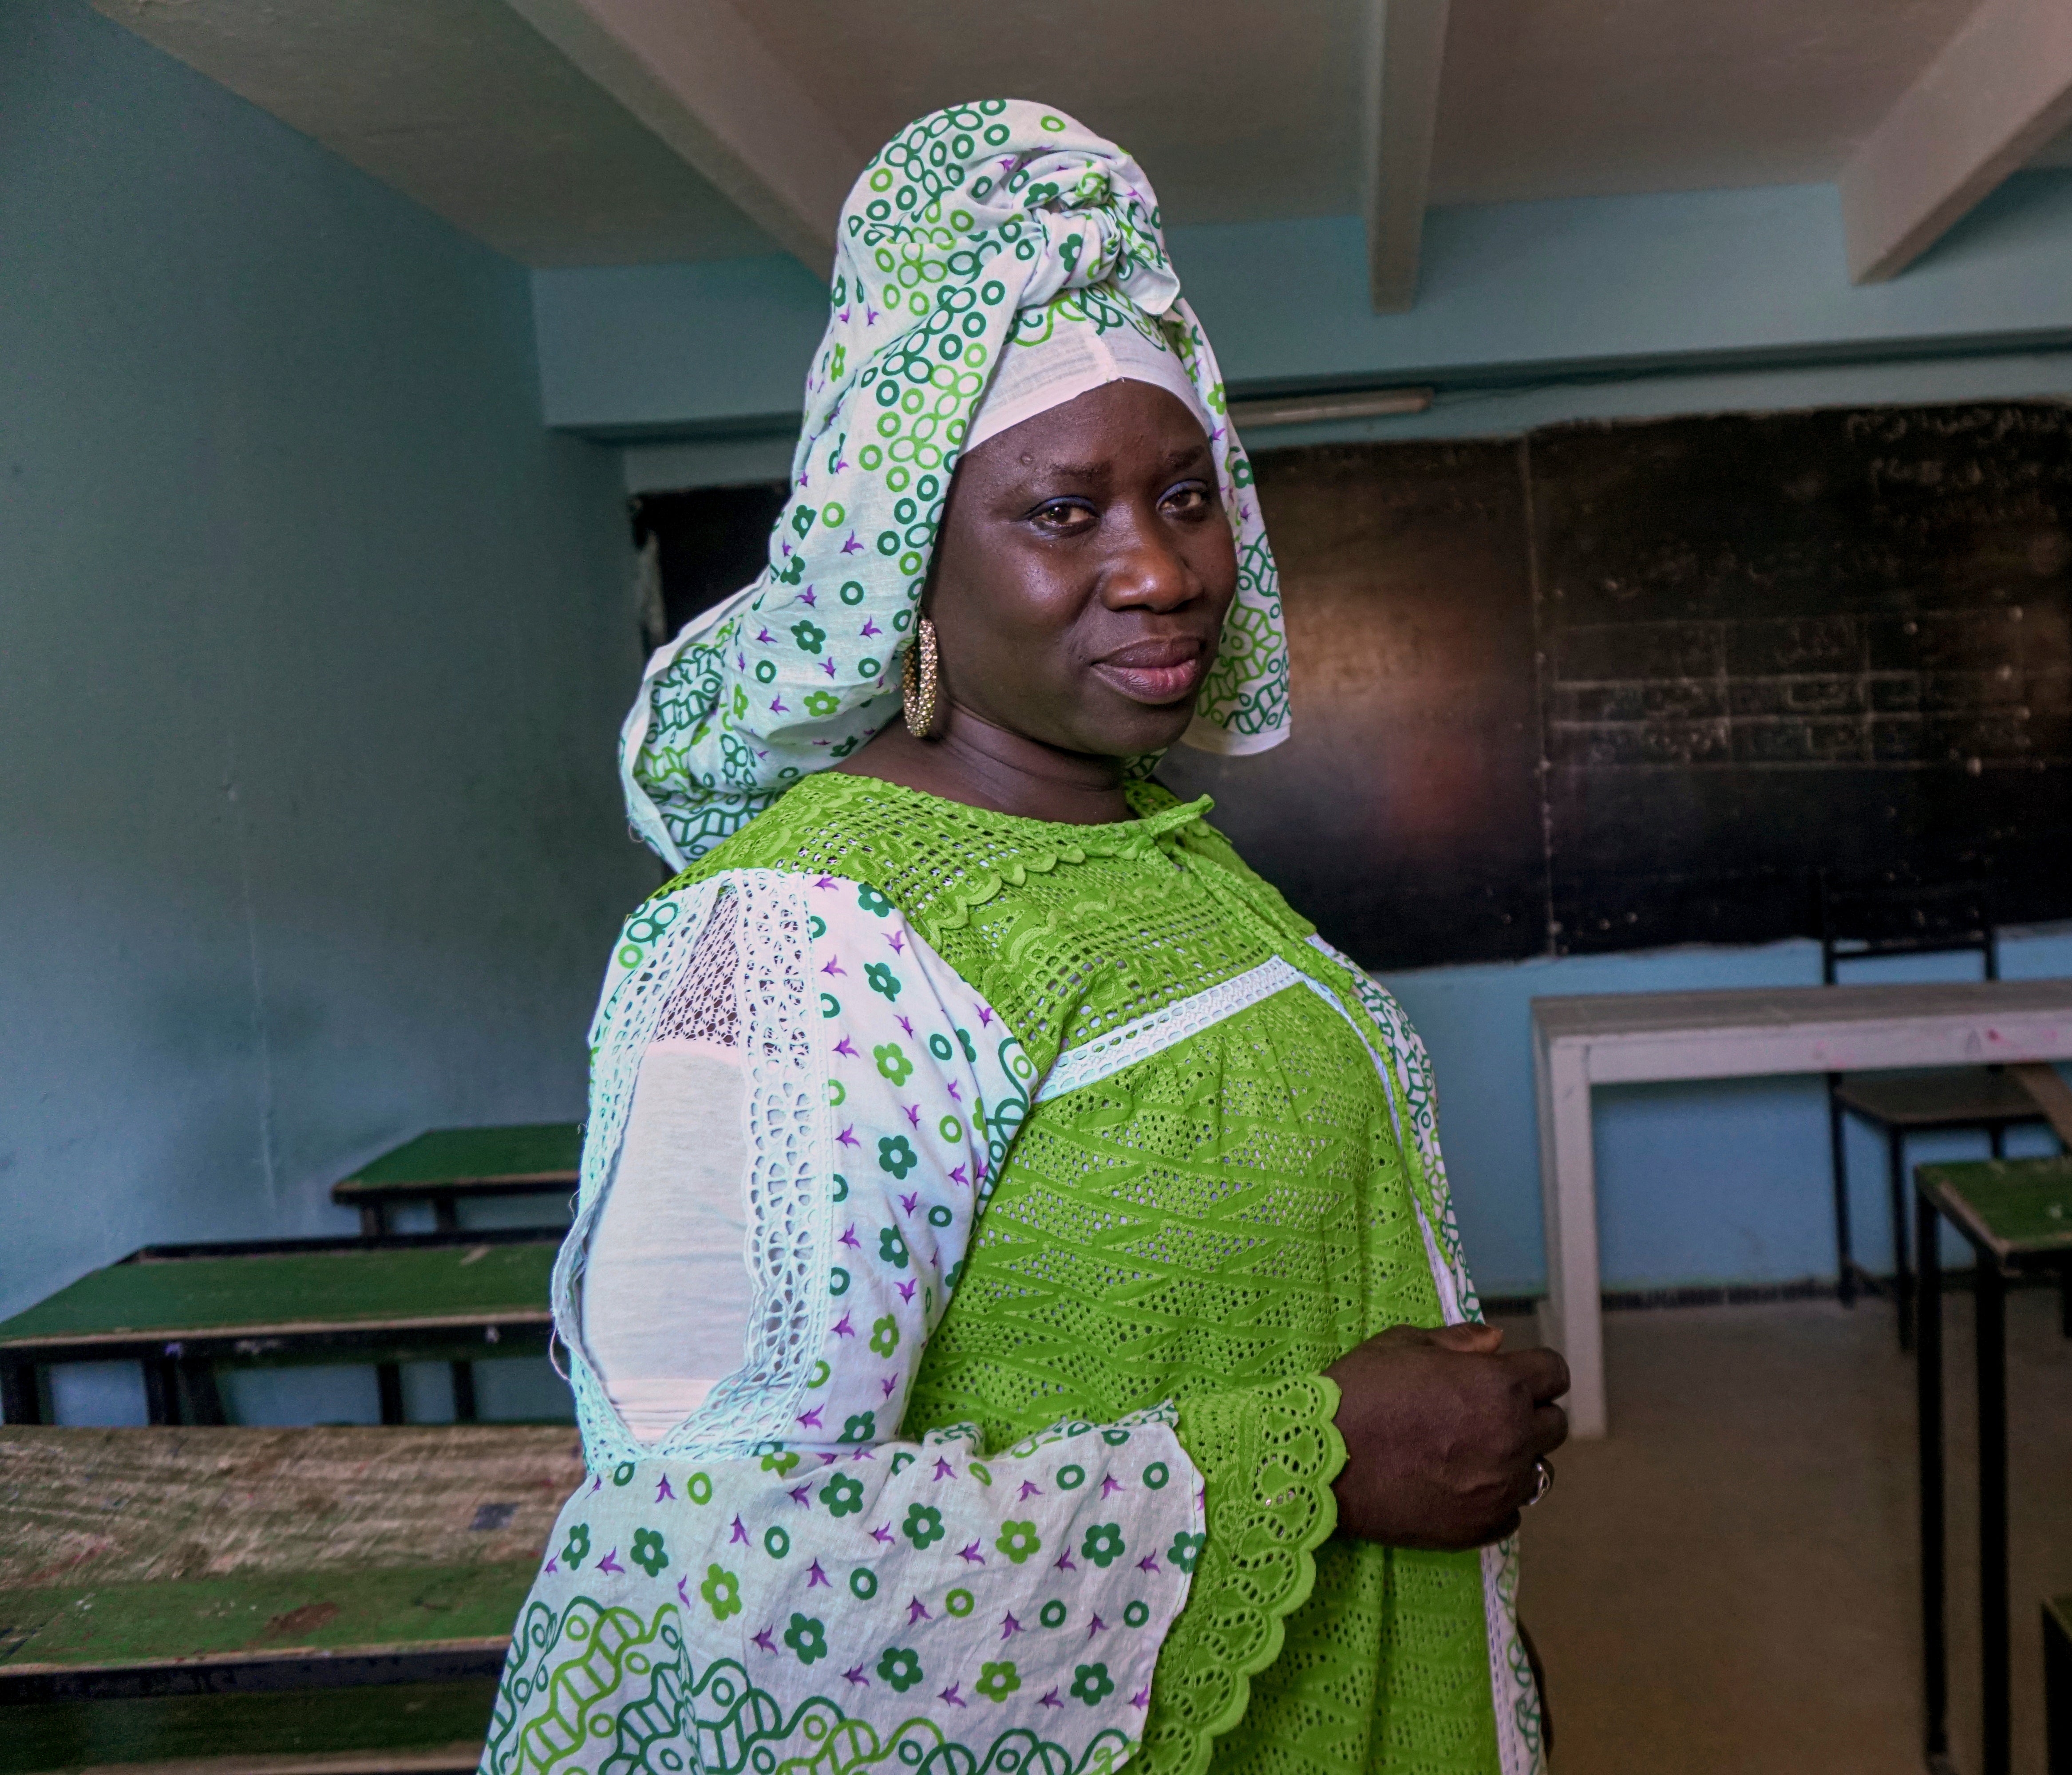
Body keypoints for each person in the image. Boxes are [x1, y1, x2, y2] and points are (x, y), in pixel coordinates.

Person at [485, 100, 1565, 1775]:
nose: (1163, 570)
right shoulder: (797, 943)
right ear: (905, 563)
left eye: (1188, 496)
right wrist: (1320, 1461)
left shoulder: (1158, 847)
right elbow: (702, 1581)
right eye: (1065, 511)